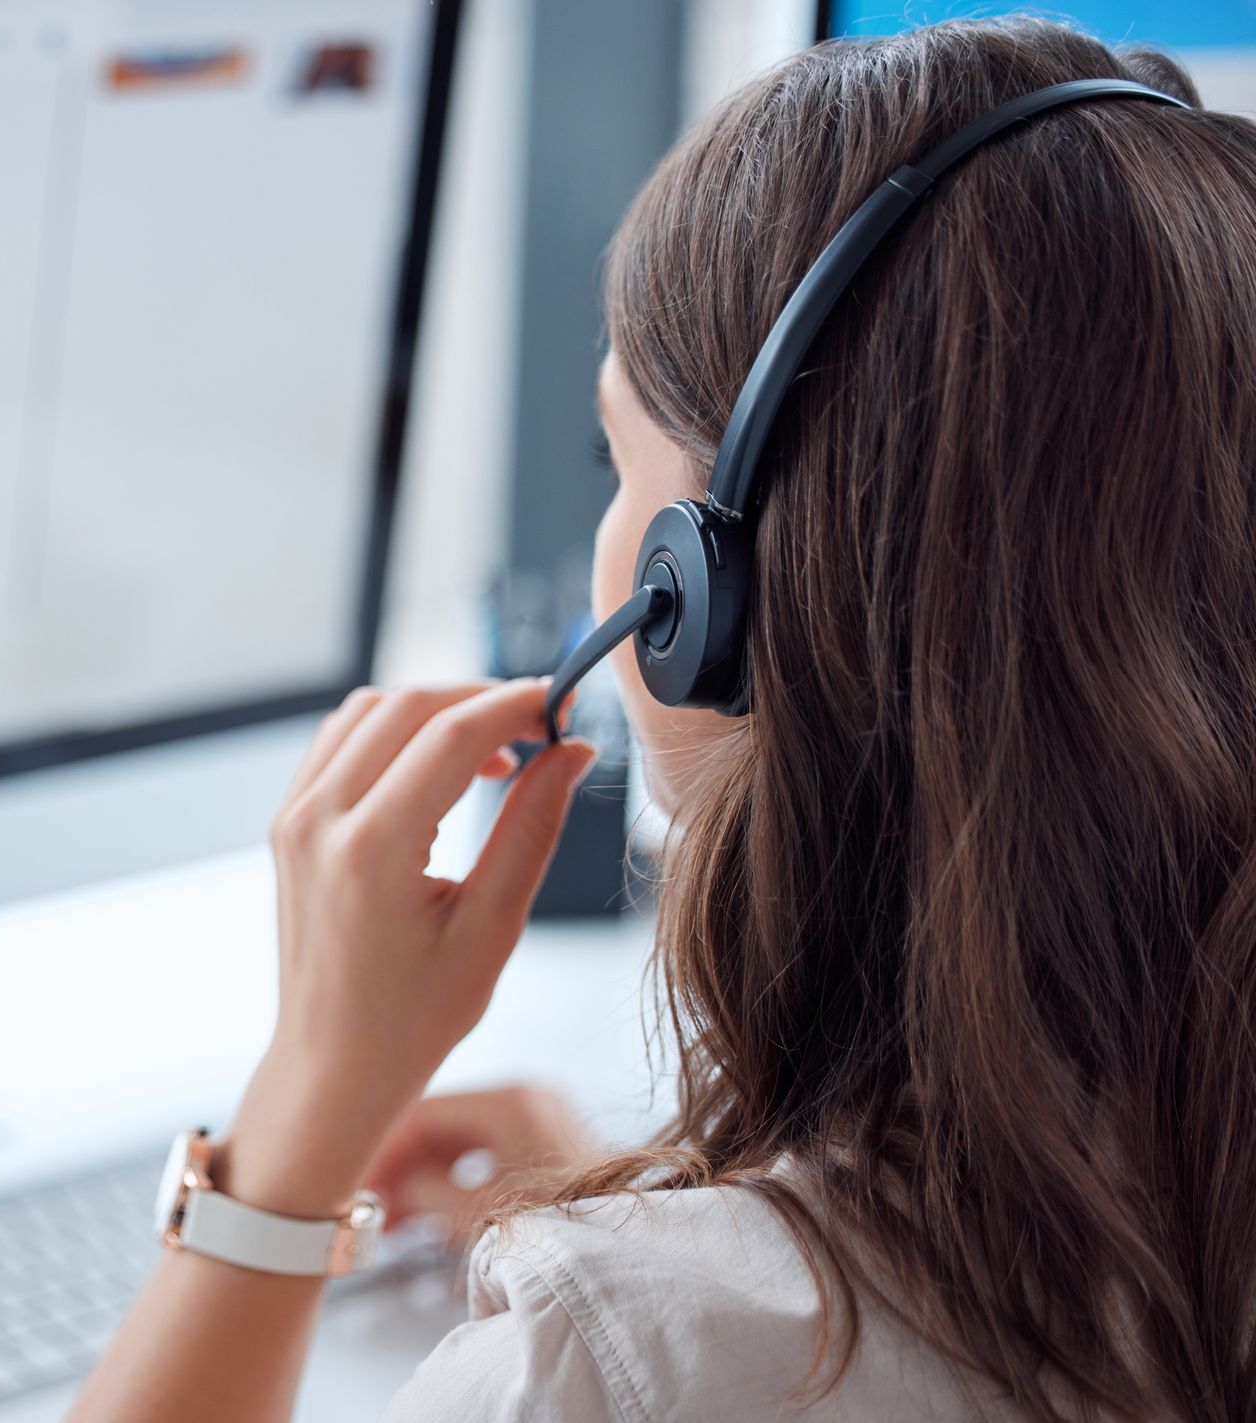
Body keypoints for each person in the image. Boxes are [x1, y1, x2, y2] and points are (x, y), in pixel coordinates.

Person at [69, 16, 1256, 1421]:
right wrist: (694, 1206)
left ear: (703, 595)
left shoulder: (633, 1361)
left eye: (613, 456)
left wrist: (300, 1118)